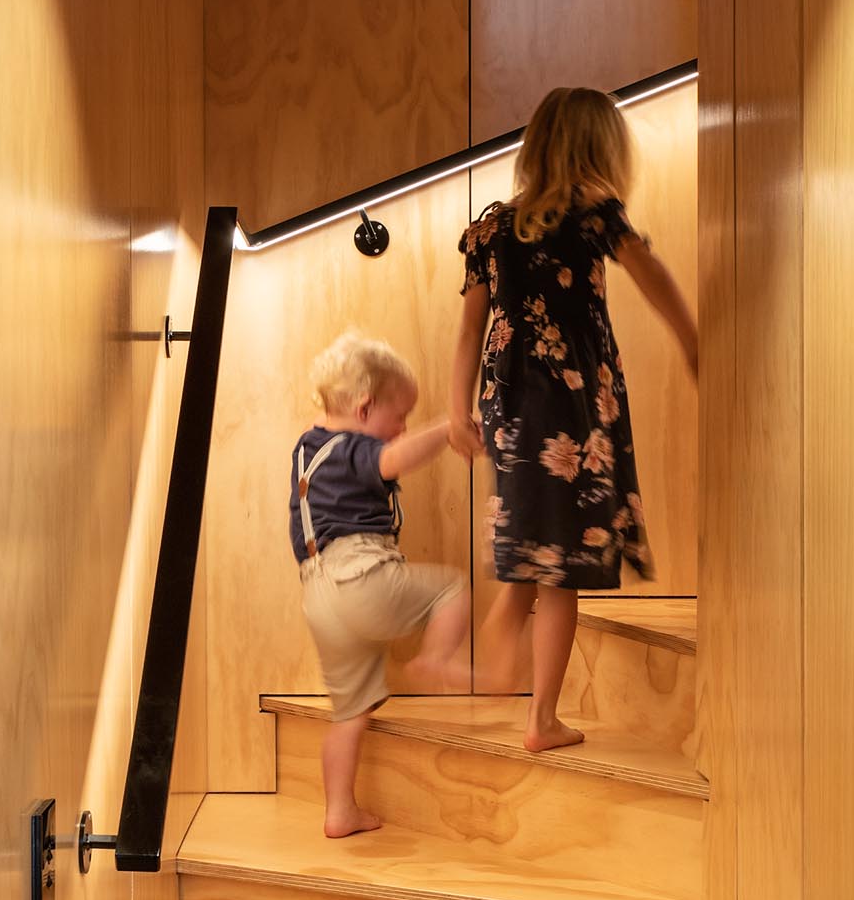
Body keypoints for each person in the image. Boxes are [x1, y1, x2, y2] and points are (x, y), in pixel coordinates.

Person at [450, 84, 698, 752]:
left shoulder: (492, 226)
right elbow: (654, 276)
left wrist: (454, 411)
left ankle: (516, 621)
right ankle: (539, 714)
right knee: (566, 559)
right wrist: (693, 341)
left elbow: (469, 329)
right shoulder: (596, 213)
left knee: (538, 537)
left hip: (504, 401)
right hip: (570, 396)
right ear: (599, 149)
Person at [290, 331, 469, 837]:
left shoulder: (308, 451)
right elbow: (393, 460)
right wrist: (446, 429)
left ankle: (339, 811)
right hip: (358, 574)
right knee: (451, 590)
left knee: (350, 712)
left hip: (319, 594)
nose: (403, 427)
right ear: (365, 409)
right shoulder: (352, 447)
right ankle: (438, 657)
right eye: (401, 416)